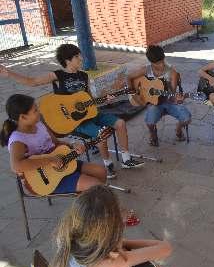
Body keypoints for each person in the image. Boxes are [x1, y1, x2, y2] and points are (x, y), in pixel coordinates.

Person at [0, 44, 144, 179]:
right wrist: (9, 73)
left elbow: (88, 99)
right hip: (73, 122)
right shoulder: (57, 76)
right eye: (77, 57)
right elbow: (32, 82)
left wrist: (106, 98)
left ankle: (126, 159)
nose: (81, 59)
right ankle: (108, 166)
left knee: (120, 123)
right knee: (101, 133)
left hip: (91, 114)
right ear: (67, 60)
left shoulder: (84, 76)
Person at [48, 185, 172, 267]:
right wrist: (119, 243)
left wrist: (115, 243)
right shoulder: (106, 265)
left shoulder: (66, 236)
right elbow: (165, 248)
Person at [0, 94, 106, 194]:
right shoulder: (18, 140)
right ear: (23, 117)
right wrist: (50, 160)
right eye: (35, 110)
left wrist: (73, 146)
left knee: (101, 171)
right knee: (95, 186)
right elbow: (16, 166)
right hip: (44, 180)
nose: (39, 111)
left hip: (63, 163)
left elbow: (57, 143)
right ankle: (93, 204)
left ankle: (90, 203)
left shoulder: (39, 124)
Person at [127, 44, 191, 147]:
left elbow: (172, 94)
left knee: (187, 118)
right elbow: (129, 77)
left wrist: (178, 98)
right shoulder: (146, 70)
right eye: (156, 63)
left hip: (168, 101)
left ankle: (178, 130)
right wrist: (134, 94)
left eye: (162, 61)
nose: (160, 65)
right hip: (154, 103)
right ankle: (153, 135)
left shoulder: (172, 72)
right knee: (150, 122)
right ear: (151, 62)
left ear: (164, 57)